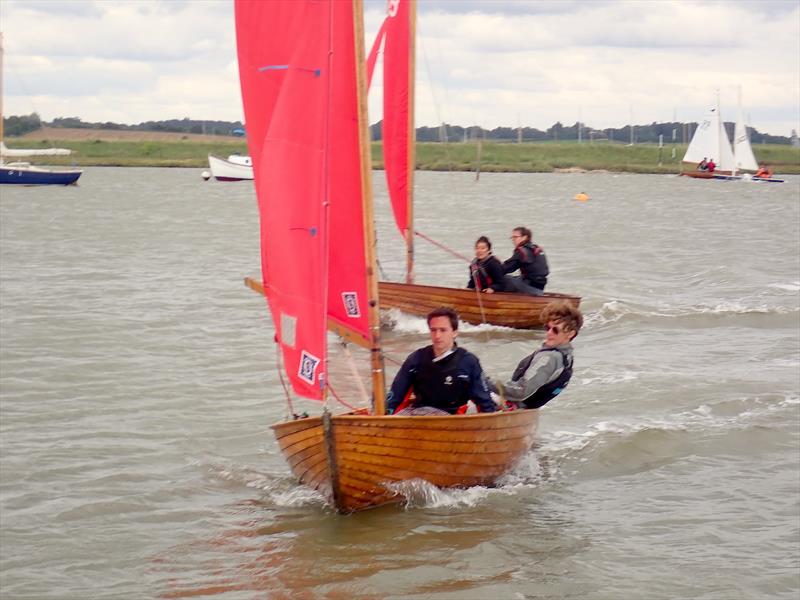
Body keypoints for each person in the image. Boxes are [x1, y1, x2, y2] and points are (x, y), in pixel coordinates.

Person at [386, 307, 497, 415]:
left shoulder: (469, 362)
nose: (437, 336)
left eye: (443, 330)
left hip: (451, 420)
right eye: (433, 330)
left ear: (454, 332)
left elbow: (484, 401)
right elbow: (396, 395)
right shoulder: (416, 358)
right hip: (417, 415)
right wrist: (385, 415)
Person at [489, 301, 583, 409]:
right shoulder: (567, 357)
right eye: (547, 328)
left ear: (570, 333)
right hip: (523, 411)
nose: (549, 333)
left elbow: (521, 391)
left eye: (555, 330)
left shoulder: (549, 358)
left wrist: (484, 381)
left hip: (508, 408)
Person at [501, 226, 549, 296]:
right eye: (512, 238)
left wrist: (495, 266)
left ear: (525, 237)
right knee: (513, 278)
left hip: (529, 287)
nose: (513, 240)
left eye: (516, 237)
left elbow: (506, 268)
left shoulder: (521, 251)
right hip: (540, 287)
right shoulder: (536, 248)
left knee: (502, 279)